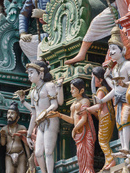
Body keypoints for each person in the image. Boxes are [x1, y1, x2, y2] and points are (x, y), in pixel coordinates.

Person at [16, 60, 62, 173]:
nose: (29, 75)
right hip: (40, 122)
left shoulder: (49, 86)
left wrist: (44, 113)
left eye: (31, 72)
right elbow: (34, 112)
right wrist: (28, 134)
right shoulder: (33, 91)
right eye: (28, 73)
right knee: (38, 153)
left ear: (41, 73)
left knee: (48, 151)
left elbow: (55, 105)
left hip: (50, 120)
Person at [96, 27, 130, 156]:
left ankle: (126, 147)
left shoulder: (127, 65)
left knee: (125, 121)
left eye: (114, 48)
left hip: (127, 98)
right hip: (118, 99)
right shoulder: (115, 70)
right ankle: (123, 149)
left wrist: (125, 83)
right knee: (120, 124)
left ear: (123, 50)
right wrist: (102, 100)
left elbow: (125, 84)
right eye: (110, 49)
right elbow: (115, 89)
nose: (111, 52)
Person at [50, 79, 95, 173]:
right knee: (80, 155)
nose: (71, 91)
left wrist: (74, 129)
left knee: (87, 154)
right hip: (79, 134)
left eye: (73, 89)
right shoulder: (73, 104)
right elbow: (72, 120)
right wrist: (59, 115)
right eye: (71, 89)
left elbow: (83, 119)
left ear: (81, 90)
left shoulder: (85, 101)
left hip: (85, 132)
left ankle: (88, 170)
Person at [80, 66, 116, 171]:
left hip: (105, 117)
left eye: (94, 78)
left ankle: (111, 159)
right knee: (105, 139)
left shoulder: (101, 90)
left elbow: (99, 106)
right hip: (107, 116)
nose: (93, 81)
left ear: (100, 80)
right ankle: (108, 161)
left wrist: (87, 109)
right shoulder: (105, 89)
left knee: (102, 140)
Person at [0, 102, 30, 173]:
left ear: (18, 117)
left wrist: (29, 158)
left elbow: (26, 144)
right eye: (8, 113)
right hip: (9, 155)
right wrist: (3, 136)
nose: (9, 115)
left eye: (12, 113)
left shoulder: (21, 128)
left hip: (21, 154)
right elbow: (3, 144)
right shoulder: (5, 129)